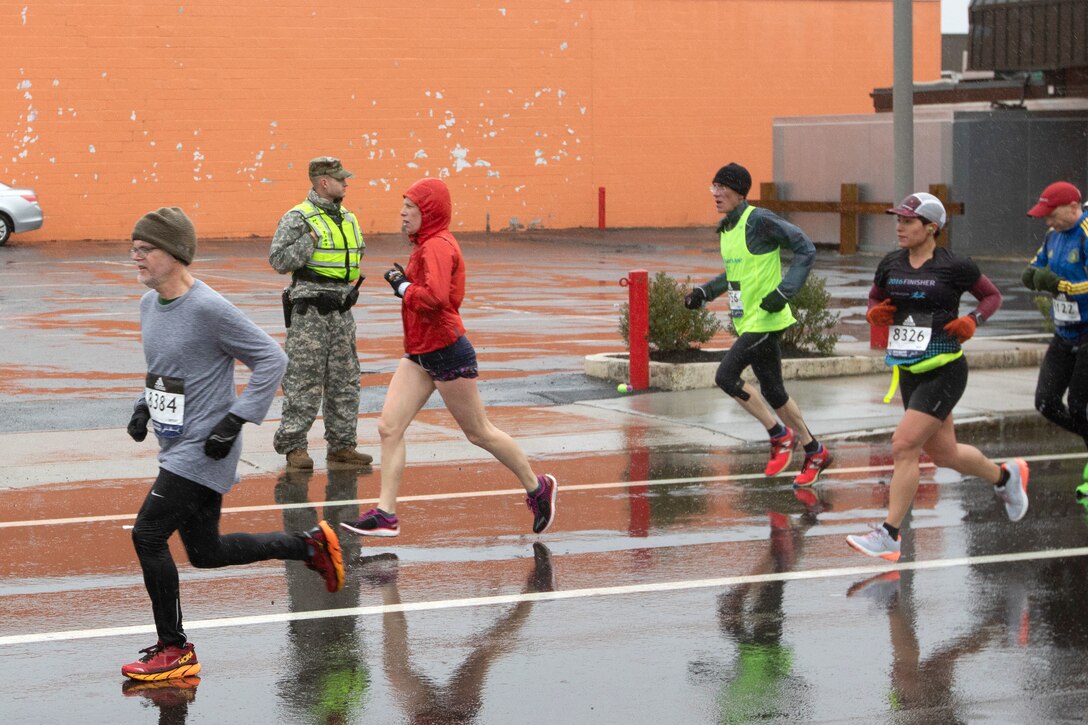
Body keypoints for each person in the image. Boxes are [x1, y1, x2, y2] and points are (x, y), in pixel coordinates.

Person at [123, 207, 345, 681]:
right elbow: (168, 367)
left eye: (146, 249)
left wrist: (237, 419)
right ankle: (308, 547)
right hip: (177, 443)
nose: (135, 257)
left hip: (205, 448)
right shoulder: (148, 305)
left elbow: (271, 359)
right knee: (206, 552)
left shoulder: (208, 308)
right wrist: (145, 404)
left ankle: (174, 649)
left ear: (176, 254)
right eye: (134, 248)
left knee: (147, 535)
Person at [339, 178, 557, 538]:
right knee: (389, 427)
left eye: (409, 207)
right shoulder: (426, 245)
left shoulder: (437, 246)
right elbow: (430, 293)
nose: (402, 213)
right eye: (403, 206)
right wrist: (407, 281)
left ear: (428, 212)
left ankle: (538, 487)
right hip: (419, 352)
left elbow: (437, 298)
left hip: (445, 350)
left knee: (479, 432)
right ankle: (386, 514)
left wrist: (403, 287)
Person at [846, 192, 1028, 562]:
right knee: (944, 454)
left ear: (931, 228)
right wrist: (873, 313)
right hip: (909, 371)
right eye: (897, 220)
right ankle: (1006, 478)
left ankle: (890, 535)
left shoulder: (954, 265)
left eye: (908, 221)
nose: (899, 227)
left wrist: (972, 320)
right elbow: (874, 297)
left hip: (945, 370)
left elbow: (991, 297)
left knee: (903, 445)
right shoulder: (891, 263)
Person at [684, 163, 831, 486]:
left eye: (723, 188)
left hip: (766, 319)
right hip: (749, 320)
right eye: (714, 187)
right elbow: (735, 276)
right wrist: (704, 292)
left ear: (740, 192)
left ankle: (779, 434)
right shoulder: (728, 229)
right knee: (774, 392)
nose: (716, 194)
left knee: (726, 376)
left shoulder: (760, 221)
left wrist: (784, 291)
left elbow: (806, 248)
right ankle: (815, 450)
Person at [269, 156, 372, 470]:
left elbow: (356, 253)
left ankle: (342, 445)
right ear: (323, 182)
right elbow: (279, 260)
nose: (346, 183)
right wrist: (309, 241)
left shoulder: (348, 217)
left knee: (345, 379)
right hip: (310, 312)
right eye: (341, 179)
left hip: (342, 312)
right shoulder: (298, 218)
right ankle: (294, 446)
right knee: (304, 380)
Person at [1020, 181, 1088, 496]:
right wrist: (1032, 275)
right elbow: (1037, 264)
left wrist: (1062, 285)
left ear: (1073, 208)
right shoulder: (1052, 237)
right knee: (1046, 402)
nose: (1048, 221)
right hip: (1064, 330)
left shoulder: (1085, 232)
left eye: (1053, 215)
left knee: (1079, 406)